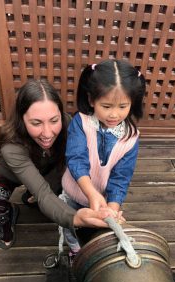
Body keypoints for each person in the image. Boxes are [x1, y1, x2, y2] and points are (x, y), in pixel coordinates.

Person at [0, 79, 117, 250]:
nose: (48, 133)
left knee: (62, 194)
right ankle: (9, 216)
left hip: (43, 169)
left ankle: (29, 195)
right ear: (21, 119)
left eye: (54, 120)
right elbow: (42, 193)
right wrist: (77, 218)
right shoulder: (11, 145)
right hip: (5, 174)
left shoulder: (68, 123)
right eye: (36, 123)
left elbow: (69, 162)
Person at [61, 59, 146, 257]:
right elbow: (76, 158)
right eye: (106, 106)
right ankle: (74, 249)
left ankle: (95, 251)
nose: (114, 114)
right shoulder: (80, 123)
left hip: (104, 198)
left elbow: (121, 177)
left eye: (123, 106)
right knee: (68, 224)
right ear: (91, 100)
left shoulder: (131, 138)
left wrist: (113, 207)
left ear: (132, 103)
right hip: (74, 193)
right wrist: (91, 193)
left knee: (99, 228)